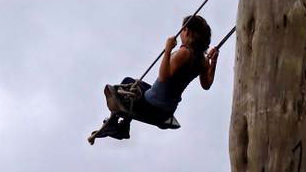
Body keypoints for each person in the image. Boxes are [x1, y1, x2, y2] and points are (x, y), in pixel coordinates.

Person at [89, 15, 219, 143]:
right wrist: (213, 62)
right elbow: (206, 85)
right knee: (134, 83)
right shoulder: (203, 61)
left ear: (187, 31)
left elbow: (163, 77)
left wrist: (168, 50)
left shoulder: (184, 53)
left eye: (182, 30)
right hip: (167, 109)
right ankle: (122, 125)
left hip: (153, 106)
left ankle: (118, 127)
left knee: (123, 88)